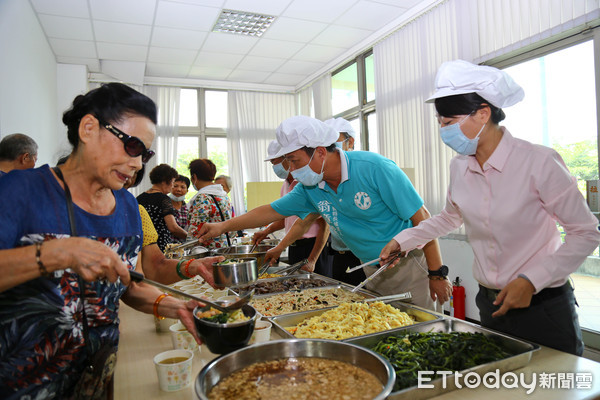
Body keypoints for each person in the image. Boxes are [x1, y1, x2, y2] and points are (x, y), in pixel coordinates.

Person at [380, 59, 600, 355]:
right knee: (503, 384)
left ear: (483, 113)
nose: (443, 131)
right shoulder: (459, 167)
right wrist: (403, 240)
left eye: (448, 123)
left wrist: (532, 280)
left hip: (543, 303)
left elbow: (585, 232)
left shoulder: (538, 162)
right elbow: (449, 217)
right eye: (440, 124)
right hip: (491, 303)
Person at [0, 83, 205, 399]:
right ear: (89, 128)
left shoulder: (127, 207)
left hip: (97, 382)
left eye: (145, 154)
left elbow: (126, 287)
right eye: (132, 146)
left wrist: (176, 307)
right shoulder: (20, 191)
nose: (138, 164)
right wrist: (59, 252)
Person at [198, 116, 452, 310]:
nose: (293, 170)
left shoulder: (374, 168)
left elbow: (423, 219)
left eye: (295, 160)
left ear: (320, 151)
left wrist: (436, 273)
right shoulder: (311, 187)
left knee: (421, 333)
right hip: (370, 271)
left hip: (408, 266)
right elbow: (269, 211)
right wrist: (222, 226)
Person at [125, 171, 220, 285]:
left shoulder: (137, 203)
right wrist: (192, 239)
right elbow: (173, 227)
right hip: (161, 248)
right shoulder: (163, 200)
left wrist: (191, 266)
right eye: (174, 184)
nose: (177, 189)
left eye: (182, 187)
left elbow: (151, 271)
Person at [252, 140, 332, 275]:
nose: (275, 167)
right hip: (294, 246)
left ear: (288, 158)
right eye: (272, 164)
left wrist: (312, 259)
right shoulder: (286, 185)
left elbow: (325, 225)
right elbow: (285, 217)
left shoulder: (308, 182)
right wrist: (266, 231)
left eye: (276, 162)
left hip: (315, 247)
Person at [321, 117, 363, 284]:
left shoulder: (364, 170)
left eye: (334, 142)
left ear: (350, 142)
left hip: (363, 257)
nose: (329, 148)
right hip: (338, 254)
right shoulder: (324, 178)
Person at [137, 164, 187, 252]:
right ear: (164, 181)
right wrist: (190, 237)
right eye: (172, 182)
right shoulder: (164, 199)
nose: (172, 186)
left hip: (142, 244)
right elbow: (173, 228)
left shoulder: (139, 198)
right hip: (159, 246)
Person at [187, 159, 235, 249]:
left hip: (207, 252)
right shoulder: (223, 195)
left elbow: (196, 231)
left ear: (194, 177)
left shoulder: (202, 197)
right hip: (225, 247)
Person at [169, 174, 191, 243]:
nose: (178, 189)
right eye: (175, 186)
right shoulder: (164, 206)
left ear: (187, 191)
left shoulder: (189, 209)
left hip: (183, 249)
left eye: (183, 187)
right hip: (165, 248)